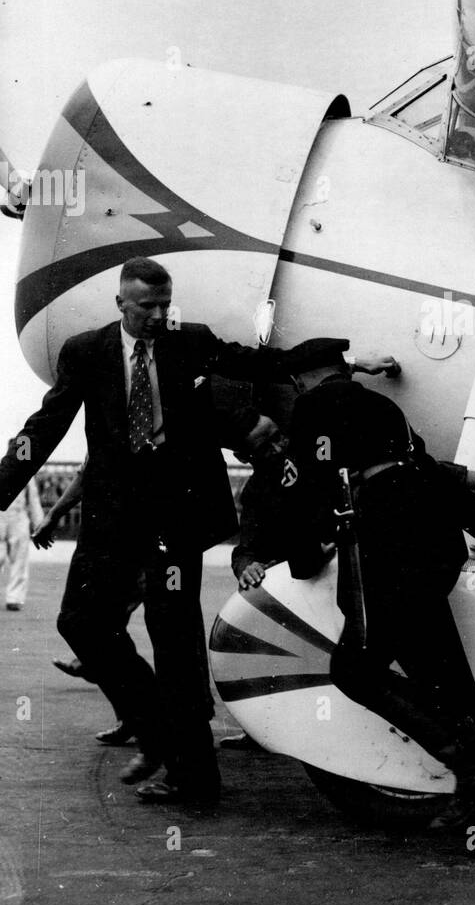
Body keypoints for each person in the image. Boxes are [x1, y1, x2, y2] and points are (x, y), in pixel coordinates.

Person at [0, 256, 365, 812]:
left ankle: (194, 778)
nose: (157, 315)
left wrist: (348, 362)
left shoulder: (188, 340)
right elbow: (43, 428)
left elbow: (258, 361)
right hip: (112, 519)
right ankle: (156, 732)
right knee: (80, 623)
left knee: (174, 640)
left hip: (176, 519)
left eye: (165, 304)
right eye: (146, 306)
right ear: (120, 303)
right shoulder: (86, 352)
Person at [283, 339, 475, 868]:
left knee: (355, 671)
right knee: (451, 694)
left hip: (389, 548)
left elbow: (308, 485)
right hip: (434, 549)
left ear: (304, 378)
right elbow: (426, 470)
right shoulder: (384, 409)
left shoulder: (313, 408)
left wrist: (305, 557)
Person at [0, 466, 43, 610]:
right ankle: (14, 597)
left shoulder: (26, 473)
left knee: (19, 557)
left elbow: (33, 499)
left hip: (18, 516)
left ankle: (14, 597)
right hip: (2, 516)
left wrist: (39, 524)